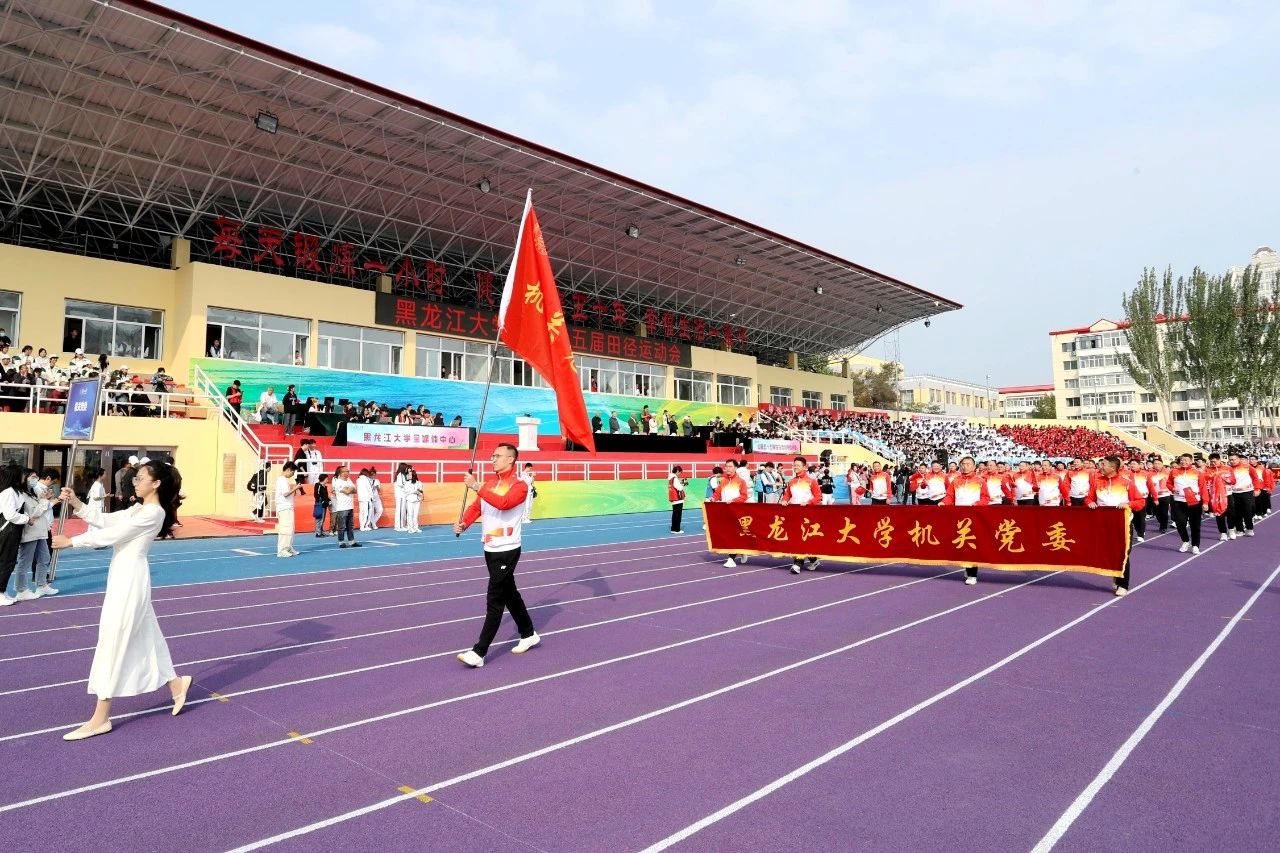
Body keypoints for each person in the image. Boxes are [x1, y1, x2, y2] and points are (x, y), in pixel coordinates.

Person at [50, 461, 193, 740]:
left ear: (156, 484)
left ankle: (100, 718)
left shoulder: (153, 512)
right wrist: (77, 503)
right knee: (146, 637)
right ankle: (176, 684)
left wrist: (72, 542)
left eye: (140, 478)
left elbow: (113, 535)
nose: (134, 482)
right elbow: (107, 521)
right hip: (122, 577)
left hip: (131, 581)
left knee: (113, 642)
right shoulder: (138, 509)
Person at [454, 443, 539, 668]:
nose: (493, 459)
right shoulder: (490, 484)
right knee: (509, 593)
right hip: (490, 548)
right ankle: (528, 633)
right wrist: (464, 523)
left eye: (498, 456)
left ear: (511, 459)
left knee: (495, 599)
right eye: (492, 456)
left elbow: (504, 503)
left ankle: (479, 651)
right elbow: (477, 507)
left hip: (507, 548)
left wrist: (476, 486)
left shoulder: (519, 486)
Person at [1086, 456, 1147, 596]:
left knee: (1124, 552)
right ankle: (1116, 573)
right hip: (1103, 524)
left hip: (1123, 523)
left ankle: (1123, 584)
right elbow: (1089, 498)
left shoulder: (1126, 482)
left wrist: (1128, 504)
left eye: (1103, 464)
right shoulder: (1097, 482)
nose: (1100, 466)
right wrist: (1089, 502)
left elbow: (1140, 502)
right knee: (1109, 552)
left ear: (1113, 467)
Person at [941, 456, 989, 585]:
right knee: (962, 543)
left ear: (974, 466)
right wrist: (944, 503)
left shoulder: (980, 481)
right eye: (963, 464)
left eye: (968, 464)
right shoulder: (956, 481)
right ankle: (967, 567)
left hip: (974, 516)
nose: (965, 466)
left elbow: (985, 498)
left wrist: (977, 505)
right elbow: (950, 496)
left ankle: (972, 574)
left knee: (971, 544)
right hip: (959, 517)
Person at [781, 456, 822, 574]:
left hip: (807, 515)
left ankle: (797, 564)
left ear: (804, 467)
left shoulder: (811, 481)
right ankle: (814, 560)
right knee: (797, 538)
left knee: (801, 539)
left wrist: (808, 502)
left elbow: (818, 496)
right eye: (794, 465)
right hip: (794, 514)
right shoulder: (791, 482)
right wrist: (784, 500)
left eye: (798, 465)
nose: (795, 467)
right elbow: (787, 494)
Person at [712, 459, 750, 568]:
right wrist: (712, 499)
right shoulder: (723, 481)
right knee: (729, 535)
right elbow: (717, 494)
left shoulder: (741, 481)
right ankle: (742, 551)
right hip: (726, 512)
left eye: (730, 466)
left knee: (734, 535)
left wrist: (733, 501)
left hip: (737, 512)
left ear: (735, 468)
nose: (727, 468)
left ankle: (731, 559)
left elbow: (744, 496)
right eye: (726, 466)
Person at [1168, 453, 1206, 555]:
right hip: (1179, 501)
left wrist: (1205, 502)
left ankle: (1195, 545)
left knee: (1195, 525)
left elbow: (1203, 488)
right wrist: (1172, 488)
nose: (1183, 462)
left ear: (1191, 461)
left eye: (1186, 460)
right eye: (1182, 460)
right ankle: (1185, 541)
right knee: (1180, 523)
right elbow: (1169, 483)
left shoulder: (1197, 473)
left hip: (1194, 502)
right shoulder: (1174, 471)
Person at [1226, 452, 1262, 538]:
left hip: (1247, 492)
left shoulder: (1247, 467)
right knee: (1236, 512)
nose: (1232, 461)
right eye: (1230, 460)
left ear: (1238, 459)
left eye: (1234, 459)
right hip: (1233, 493)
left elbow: (1255, 478)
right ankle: (1239, 529)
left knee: (1248, 511)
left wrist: (1257, 489)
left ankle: (1249, 528)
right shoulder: (1228, 469)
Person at [275, 462, 303, 558]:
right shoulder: (282, 480)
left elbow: (287, 493)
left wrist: (294, 489)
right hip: (284, 507)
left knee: (290, 529)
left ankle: (288, 547)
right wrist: (296, 488)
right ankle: (282, 550)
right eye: (292, 472)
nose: (292, 474)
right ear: (288, 470)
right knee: (285, 529)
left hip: (288, 507)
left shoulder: (284, 480)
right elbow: (285, 494)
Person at [330, 466, 359, 548]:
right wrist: (350, 489)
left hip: (350, 506)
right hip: (342, 507)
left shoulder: (349, 480)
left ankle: (352, 541)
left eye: (348, 471)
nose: (348, 472)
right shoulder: (338, 482)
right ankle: (341, 542)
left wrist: (350, 489)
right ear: (341, 473)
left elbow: (355, 490)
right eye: (346, 471)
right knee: (342, 527)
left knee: (350, 526)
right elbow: (347, 491)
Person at [403, 468, 423, 533]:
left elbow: (421, 492)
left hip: (417, 501)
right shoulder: (406, 483)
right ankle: (410, 528)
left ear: (413, 475)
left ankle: (416, 528)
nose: (408, 476)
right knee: (410, 515)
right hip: (410, 501)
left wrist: (419, 492)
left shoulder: (419, 483)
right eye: (408, 475)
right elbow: (405, 492)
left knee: (415, 515)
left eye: (410, 475)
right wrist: (413, 491)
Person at [668, 466, 686, 534]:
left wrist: (681, 483)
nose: (679, 474)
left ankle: (673, 529)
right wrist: (683, 483)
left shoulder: (670, 478)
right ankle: (677, 529)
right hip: (678, 498)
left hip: (673, 498)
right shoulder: (674, 478)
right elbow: (680, 488)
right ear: (677, 471)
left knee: (675, 514)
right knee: (678, 515)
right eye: (680, 472)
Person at [393, 463, 410, 532]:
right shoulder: (400, 475)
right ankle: (399, 526)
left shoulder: (402, 475)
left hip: (402, 495)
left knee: (402, 510)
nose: (406, 469)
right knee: (400, 511)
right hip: (400, 495)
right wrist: (408, 485)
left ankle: (401, 525)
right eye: (405, 468)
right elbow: (401, 484)